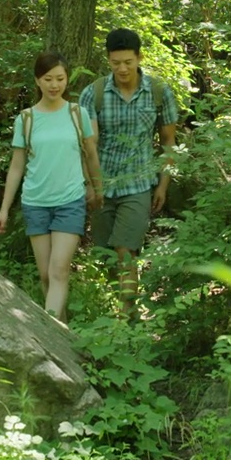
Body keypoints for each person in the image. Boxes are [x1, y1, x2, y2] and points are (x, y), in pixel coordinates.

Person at [0, 51, 103, 324]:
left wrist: (98, 189)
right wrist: (4, 209)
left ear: (67, 79)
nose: (55, 85)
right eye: (48, 79)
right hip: (35, 202)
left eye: (60, 78)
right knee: (45, 275)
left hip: (70, 200)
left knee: (59, 271)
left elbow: (90, 154)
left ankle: (51, 330)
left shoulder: (78, 114)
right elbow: (17, 166)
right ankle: (60, 331)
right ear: (37, 81)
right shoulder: (26, 119)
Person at [79, 29, 179, 317]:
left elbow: (169, 143)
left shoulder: (159, 92)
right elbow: (87, 146)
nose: (122, 69)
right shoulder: (93, 93)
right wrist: (89, 185)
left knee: (126, 251)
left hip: (138, 184)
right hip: (102, 185)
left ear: (139, 58)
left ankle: (127, 317)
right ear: (108, 61)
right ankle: (116, 313)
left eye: (127, 62)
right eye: (115, 62)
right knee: (107, 255)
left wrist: (162, 185)